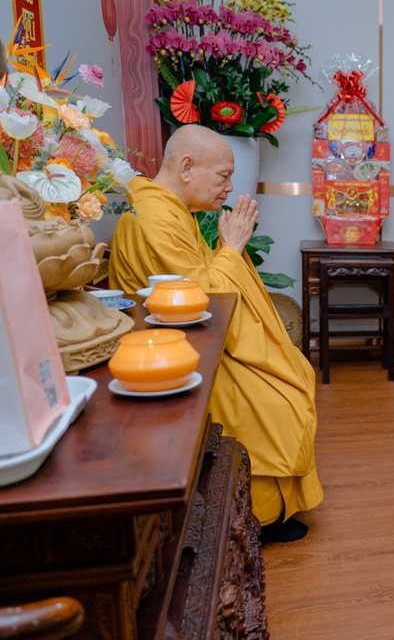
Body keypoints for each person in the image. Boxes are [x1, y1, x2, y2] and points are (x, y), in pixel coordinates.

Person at [110, 125, 323, 542]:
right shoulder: (154, 218)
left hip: (196, 335)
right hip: (177, 346)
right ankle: (254, 517)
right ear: (187, 167)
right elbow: (203, 295)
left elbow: (199, 282)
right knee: (274, 399)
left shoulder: (172, 211)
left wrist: (228, 251)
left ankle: (265, 509)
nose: (229, 187)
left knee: (288, 381)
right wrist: (232, 248)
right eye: (223, 176)